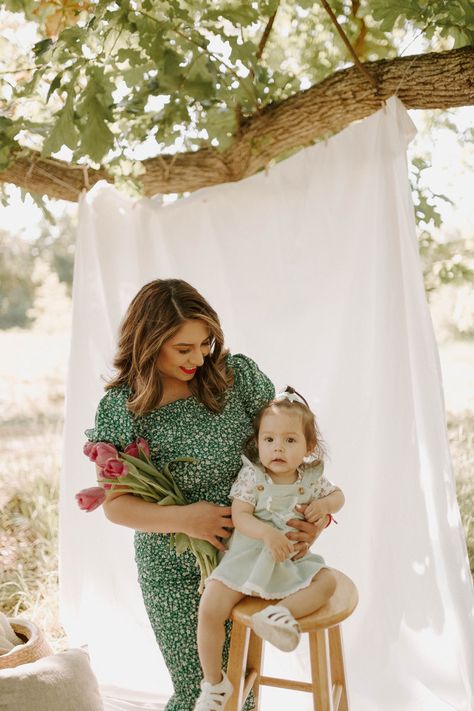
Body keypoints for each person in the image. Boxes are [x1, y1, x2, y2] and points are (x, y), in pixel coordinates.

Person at [85, 279, 330, 711]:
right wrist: (187, 519)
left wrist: (312, 516)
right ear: (148, 342)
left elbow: (285, 448)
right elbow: (117, 506)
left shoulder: (237, 380)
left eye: (205, 343)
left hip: (249, 553)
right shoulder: (123, 407)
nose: (198, 358)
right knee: (203, 691)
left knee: (240, 688)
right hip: (173, 567)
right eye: (183, 348)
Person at [194, 388, 345, 711]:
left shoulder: (310, 479)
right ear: (258, 442)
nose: (278, 447)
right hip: (247, 559)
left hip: (290, 561)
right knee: (209, 607)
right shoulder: (253, 476)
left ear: (308, 447)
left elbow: (339, 497)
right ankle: (214, 686)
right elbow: (240, 516)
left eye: (290, 441)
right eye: (269, 439)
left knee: (327, 581)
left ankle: (278, 615)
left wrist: (324, 505)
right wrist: (266, 534)